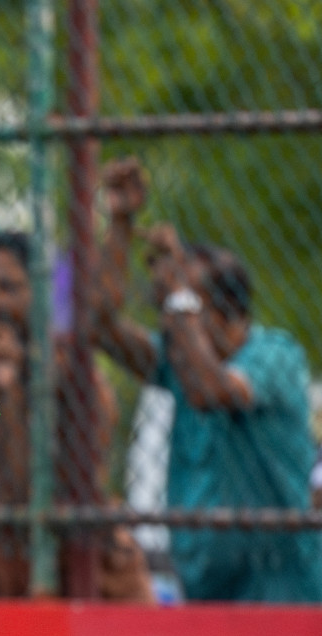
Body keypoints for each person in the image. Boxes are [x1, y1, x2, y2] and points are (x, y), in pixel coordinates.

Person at [93, 157, 320, 602]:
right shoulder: (180, 359)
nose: (170, 323)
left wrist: (179, 294)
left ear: (225, 312)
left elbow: (211, 390)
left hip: (281, 585)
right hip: (206, 585)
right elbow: (101, 327)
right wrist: (120, 224)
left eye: (183, 308)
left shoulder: (275, 355)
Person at [0, 231, 151, 602]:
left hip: (88, 572)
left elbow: (68, 471)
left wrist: (19, 384)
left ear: (38, 291)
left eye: (8, 287)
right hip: (6, 567)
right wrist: (1, 384)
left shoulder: (69, 365)